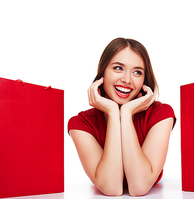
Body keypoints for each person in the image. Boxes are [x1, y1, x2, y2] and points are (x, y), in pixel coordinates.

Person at [68, 38, 176, 196]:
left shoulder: (161, 114)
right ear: (103, 72)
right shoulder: (80, 124)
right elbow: (111, 188)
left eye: (137, 72)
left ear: (144, 80)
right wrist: (112, 112)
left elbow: (139, 186)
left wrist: (126, 113)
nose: (127, 80)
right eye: (118, 68)